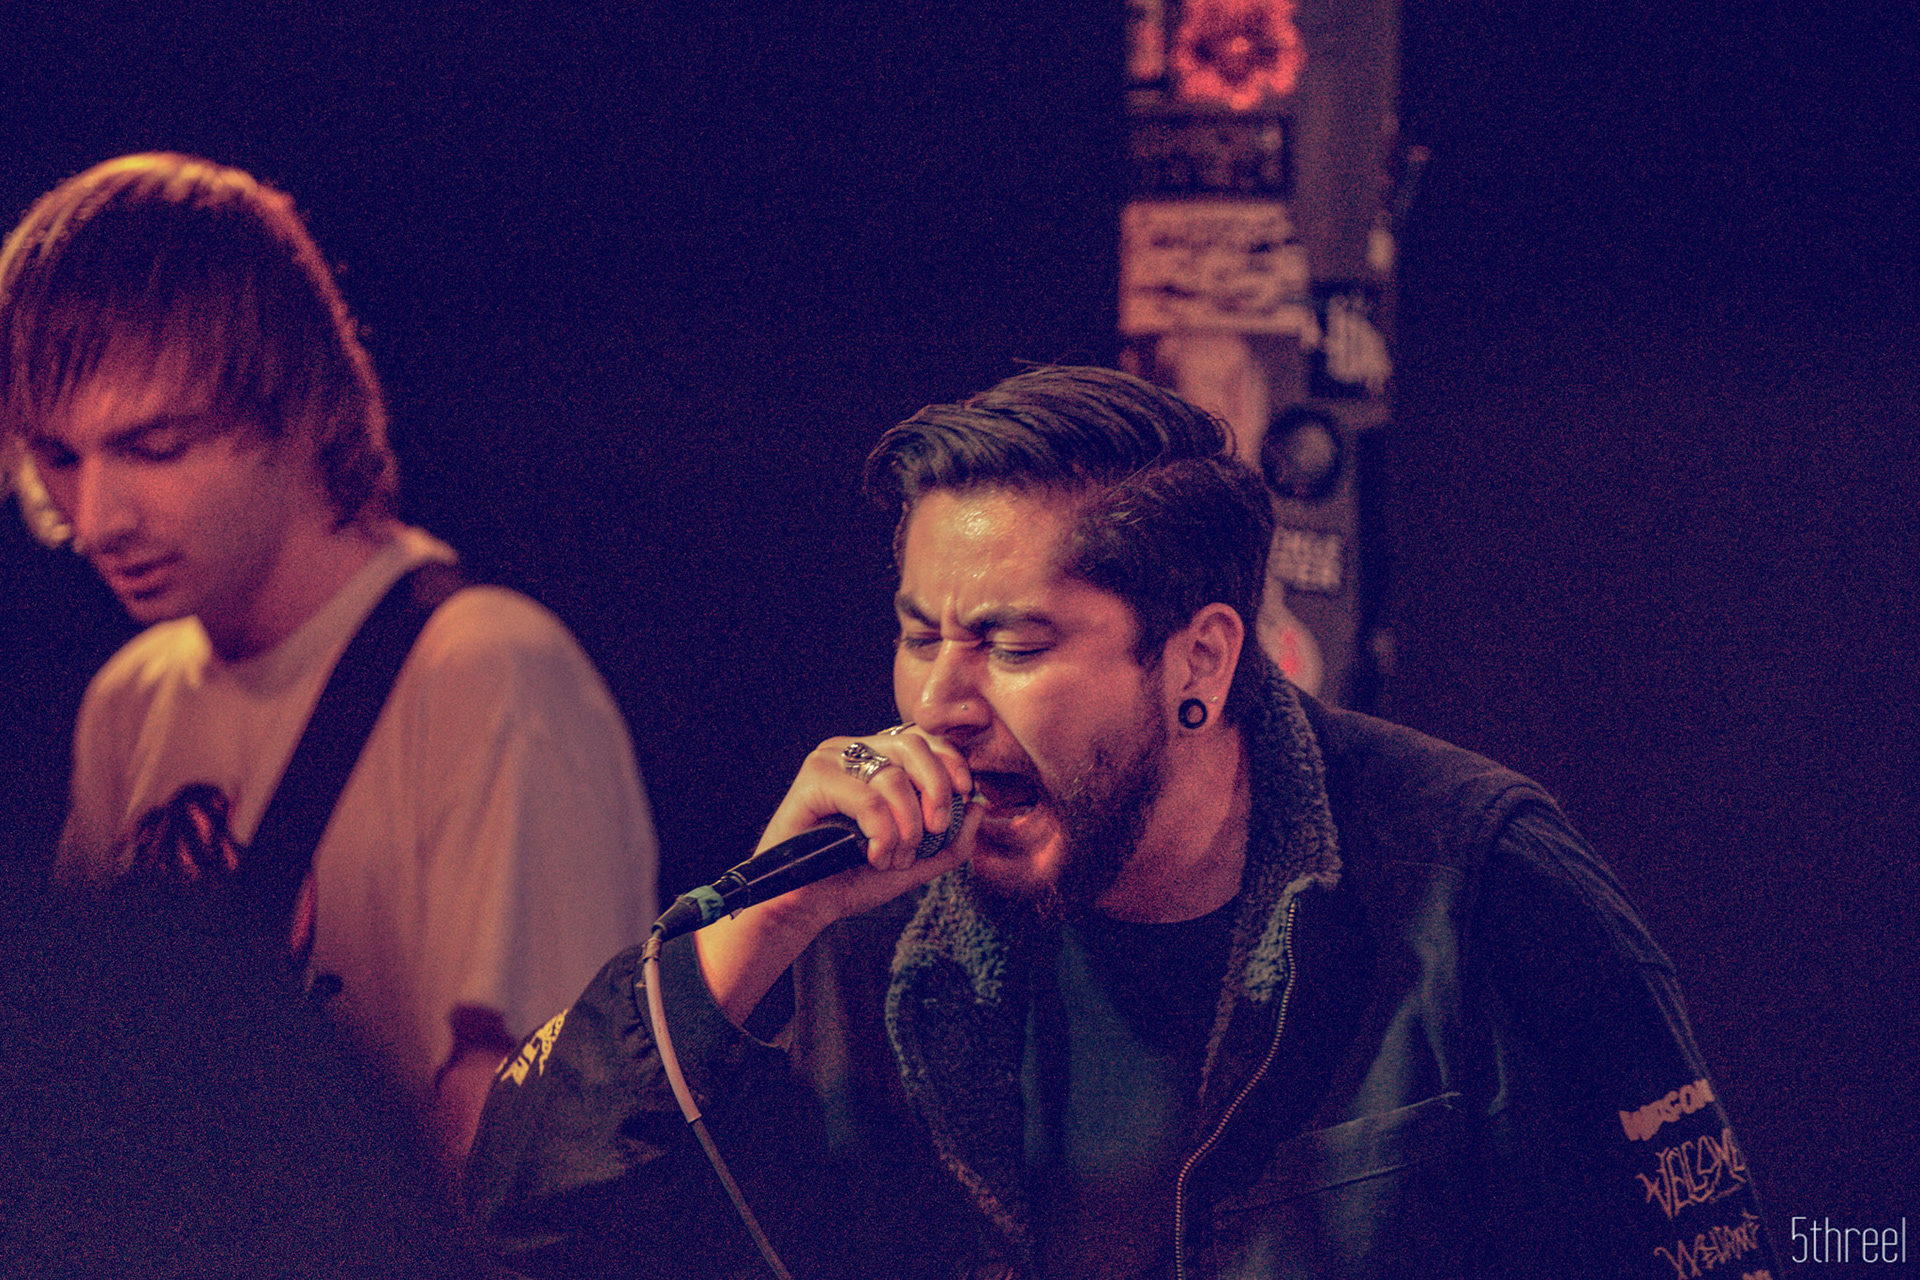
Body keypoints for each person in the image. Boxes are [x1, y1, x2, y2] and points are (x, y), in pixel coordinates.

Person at [464, 366, 1778, 1278]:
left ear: (1198, 660)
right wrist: (772, 908)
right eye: (919, 635)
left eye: (1014, 644)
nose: (939, 703)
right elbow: (520, 1214)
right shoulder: (853, 916)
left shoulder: (1480, 882)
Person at [0, 152, 660, 1174]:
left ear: (302, 405)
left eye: (156, 446)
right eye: (58, 456)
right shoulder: (128, 701)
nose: (96, 519)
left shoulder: (489, 674)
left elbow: (534, 1154)